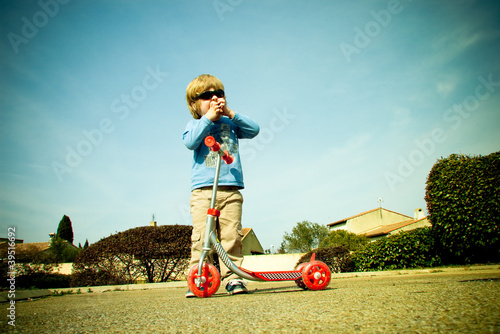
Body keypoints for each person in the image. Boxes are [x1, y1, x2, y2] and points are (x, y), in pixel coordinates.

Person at [182, 74, 260, 297]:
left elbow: (254, 130)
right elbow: (189, 142)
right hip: (203, 190)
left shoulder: (231, 123)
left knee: (231, 236)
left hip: (230, 188)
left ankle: (233, 277)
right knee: (201, 236)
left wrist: (229, 113)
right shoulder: (196, 124)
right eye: (207, 95)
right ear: (195, 104)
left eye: (219, 94)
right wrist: (207, 118)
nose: (215, 98)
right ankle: (199, 276)